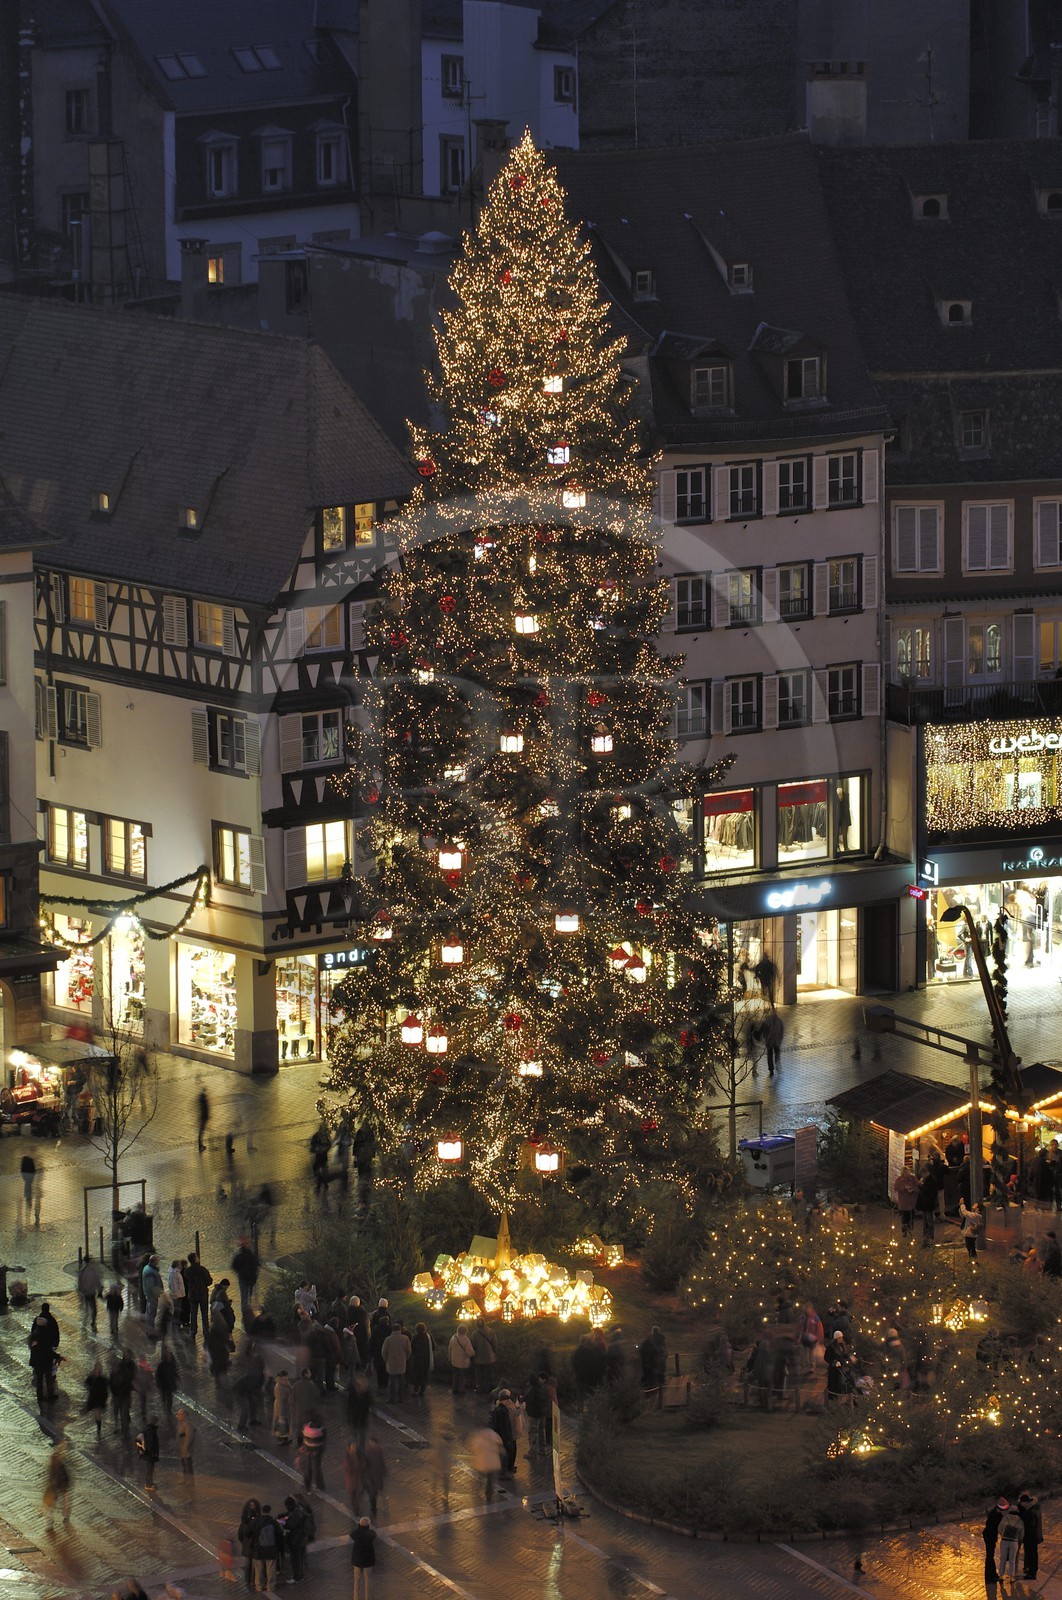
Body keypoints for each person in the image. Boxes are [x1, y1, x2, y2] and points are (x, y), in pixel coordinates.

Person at [28, 1301, 61, 1407]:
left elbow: (32, 1344)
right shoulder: (46, 1333)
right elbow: (47, 1349)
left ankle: (40, 1397)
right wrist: (56, 1356)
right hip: (45, 1361)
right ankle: (50, 1396)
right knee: (48, 1378)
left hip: (37, 1361)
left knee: (39, 1380)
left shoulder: (35, 1333)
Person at [468, 1424, 505, 1502]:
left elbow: (475, 1448)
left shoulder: (477, 1437)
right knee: (490, 1480)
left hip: (482, 1461)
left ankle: (478, 1489)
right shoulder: (493, 1434)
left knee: (480, 1476)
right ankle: (489, 1495)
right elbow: (500, 1443)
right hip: (493, 1461)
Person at [281, 1495, 311, 1582]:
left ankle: (296, 1577)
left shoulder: (295, 1514)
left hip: (296, 1540)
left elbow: (290, 1525)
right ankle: (300, 1575)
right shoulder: (299, 1510)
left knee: (295, 1560)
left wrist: (282, 1522)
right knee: (300, 1559)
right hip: (302, 1539)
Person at [42, 1441, 72, 1531]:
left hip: (60, 1481)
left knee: (61, 1499)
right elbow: (52, 1471)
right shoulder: (55, 1458)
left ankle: (64, 1516)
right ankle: (55, 1519)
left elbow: (52, 1471)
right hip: (58, 1481)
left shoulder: (56, 1458)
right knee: (50, 1503)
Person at [382, 1319, 412, 1403]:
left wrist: (386, 1360)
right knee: (401, 1380)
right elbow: (409, 1350)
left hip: (391, 1362)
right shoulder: (405, 1338)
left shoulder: (388, 1339)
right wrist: (406, 1358)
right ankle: (401, 1397)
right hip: (402, 1362)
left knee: (392, 1381)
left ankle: (392, 1398)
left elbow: (384, 1351)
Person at [251, 1504, 280, 1593]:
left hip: (259, 1549)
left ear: (261, 1511)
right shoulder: (273, 1522)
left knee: (259, 1568)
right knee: (270, 1568)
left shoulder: (257, 1521)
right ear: (269, 1511)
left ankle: (259, 1586)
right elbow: (279, 1535)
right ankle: (270, 1586)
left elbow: (252, 1534)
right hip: (271, 1549)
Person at [184, 1253, 212, 1339]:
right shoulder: (202, 1270)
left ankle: (193, 1331)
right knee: (204, 1314)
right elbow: (209, 1281)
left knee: (193, 1313)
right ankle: (206, 1332)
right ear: (195, 1259)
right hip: (202, 1294)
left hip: (192, 1294)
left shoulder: (188, 1271)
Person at [489, 1390, 517, 1476]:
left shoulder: (500, 1410)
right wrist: (507, 1438)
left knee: (504, 1455)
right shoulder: (502, 1411)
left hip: (502, 1436)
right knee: (504, 1456)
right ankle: (503, 1474)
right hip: (504, 1437)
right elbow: (503, 1426)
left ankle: (503, 1473)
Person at [231, 1238, 260, 1319]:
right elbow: (256, 1264)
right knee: (247, 1297)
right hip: (248, 1278)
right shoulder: (248, 1255)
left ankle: (245, 1313)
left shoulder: (241, 1255)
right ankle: (246, 1313)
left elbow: (234, 1266)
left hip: (245, 1278)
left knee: (245, 1297)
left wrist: (240, 1272)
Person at [110, 1349, 136, 1437]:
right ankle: (120, 1427)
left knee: (124, 1412)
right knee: (117, 1411)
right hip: (117, 1395)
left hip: (124, 1394)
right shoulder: (113, 1374)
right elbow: (111, 1385)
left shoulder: (126, 1370)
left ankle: (125, 1431)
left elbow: (130, 1379)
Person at [1019, 1490, 1043, 1579]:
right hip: (1034, 1536)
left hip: (1030, 1537)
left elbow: (1030, 1526)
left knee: (1031, 1554)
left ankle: (1032, 1573)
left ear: (1025, 1503)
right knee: (1032, 1554)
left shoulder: (1030, 1512)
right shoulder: (1034, 1508)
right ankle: (1032, 1571)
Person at [350, 1517, 376, 1598]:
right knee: (368, 1581)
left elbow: (352, 1534)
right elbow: (374, 1534)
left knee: (356, 1581)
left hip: (357, 1560)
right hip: (368, 1561)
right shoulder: (371, 1534)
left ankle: (356, 1598)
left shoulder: (355, 1534)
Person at [361, 1435, 386, 1520]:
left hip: (377, 1476)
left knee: (374, 1493)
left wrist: (383, 1471)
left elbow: (381, 1462)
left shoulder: (379, 1451)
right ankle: (373, 1508)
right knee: (372, 1493)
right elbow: (363, 1465)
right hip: (369, 1477)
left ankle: (373, 1508)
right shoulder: (366, 1452)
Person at [299, 1416, 327, 1492]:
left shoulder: (306, 1428)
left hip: (307, 1451)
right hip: (316, 1452)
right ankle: (320, 1486)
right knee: (316, 1468)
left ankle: (308, 1486)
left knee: (308, 1469)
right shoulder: (322, 1429)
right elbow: (323, 1441)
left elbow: (302, 1438)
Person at [84, 1359, 109, 1438]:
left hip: (99, 1398)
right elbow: (87, 1383)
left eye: (99, 1369)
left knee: (97, 1412)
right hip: (94, 1397)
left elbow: (106, 1388)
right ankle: (98, 1427)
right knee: (96, 1412)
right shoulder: (92, 1377)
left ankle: (99, 1429)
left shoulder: (103, 1379)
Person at [471, 1317, 497, 1394]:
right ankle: (488, 1387)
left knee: (479, 1374)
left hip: (478, 1358)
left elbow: (473, 1346)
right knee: (488, 1374)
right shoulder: (491, 1331)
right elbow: (495, 1344)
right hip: (489, 1357)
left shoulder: (474, 1334)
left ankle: (479, 1388)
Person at [983, 1496, 1007, 1582]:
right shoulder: (995, 1515)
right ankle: (990, 1576)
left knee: (990, 1556)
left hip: (990, 1535)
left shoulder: (995, 1513)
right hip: (989, 1536)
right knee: (990, 1556)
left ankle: (992, 1575)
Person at [998, 1500, 1023, 1579]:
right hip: (1014, 1542)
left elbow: (999, 1529)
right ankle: (1012, 1577)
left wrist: (1003, 1535)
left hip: (1005, 1541)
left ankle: (1001, 1575)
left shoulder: (1005, 1518)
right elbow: (1021, 1533)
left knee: (1003, 1558)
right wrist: (1018, 1540)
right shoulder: (1020, 1520)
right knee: (1012, 1560)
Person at [77, 1253, 103, 1330]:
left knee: (87, 1307)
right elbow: (97, 1281)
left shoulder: (82, 1271)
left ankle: (86, 1321)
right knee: (93, 1308)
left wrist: (81, 1289)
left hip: (85, 1292)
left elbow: (79, 1282)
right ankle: (92, 1321)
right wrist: (100, 1291)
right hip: (91, 1292)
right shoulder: (92, 1271)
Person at [410, 1321, 434, 1398]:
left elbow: (412, 1349)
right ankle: (422, 1390)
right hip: (426, 1359)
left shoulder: (415, 1338)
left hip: (417, 1359)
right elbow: (433, 1347)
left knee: (416, 1375)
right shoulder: (429, 1337)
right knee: (424, 1375)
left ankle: (416, 1390)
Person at [272, 1368, 293, 1444]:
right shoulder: (279, 1386)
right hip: (280, 1406)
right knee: (280, 1422)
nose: (287, 1377)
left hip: (285, 1405)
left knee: (285, 1422)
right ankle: (281, 1439)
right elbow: (280, 1399)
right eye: (286, 1376)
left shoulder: (286, 1383)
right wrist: (280, 1412)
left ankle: (285, 1437)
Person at [155, 1346, 179, 1414]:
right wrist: (158, 1383)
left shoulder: (172, 1364)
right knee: (164, 1397)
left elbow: (174, 1372)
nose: (169, 1358)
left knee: (170, 1398)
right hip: (164, 1384)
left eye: (170, 1357)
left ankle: (168, 1409)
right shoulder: (161, 1365)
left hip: (170, 1384)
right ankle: (165, 1405)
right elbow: (158, 1375)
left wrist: (177, 1378)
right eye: (168, 1357)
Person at [761, 1007, 784, 1076]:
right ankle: (771, 1069)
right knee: (771, 1055)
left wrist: (780, 1039)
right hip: (770, 1041)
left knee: (775, 1054)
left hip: (775, 1041)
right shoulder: (770, 1021)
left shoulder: (777, 1021)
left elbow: (781, 1031)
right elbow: (764, 1030)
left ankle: (775, 1066)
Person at [176, 1406, 196, 1476]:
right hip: (182, 1449)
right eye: (178, 1414)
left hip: (187, 1450)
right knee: (184, 1466)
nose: (178, 1416)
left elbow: (189, 1437)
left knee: (188, 1466)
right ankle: (185, 1480)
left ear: (184, 1415)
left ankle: (190, 1482)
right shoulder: (180, 1423)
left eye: (180, 1415)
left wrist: (185, 1448)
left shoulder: (187, 1424)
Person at [104, 1280, 124, 1345]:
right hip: (115, 1309)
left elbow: (105, 1297)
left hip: (112, 1309)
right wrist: (121, 1308)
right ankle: (115, 1328)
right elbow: (121, 1303)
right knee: (115, 1319)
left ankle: (112, 1328)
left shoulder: (110, 1295)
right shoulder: (118, 1296)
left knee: (112, 1319)